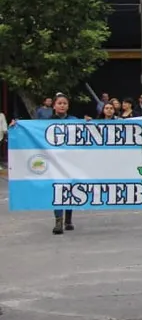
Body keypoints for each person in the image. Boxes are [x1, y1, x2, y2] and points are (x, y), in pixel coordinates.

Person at [46, 94, 78, 235]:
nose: (62, 105)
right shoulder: (45, 123)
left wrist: (88, 122)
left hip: (71, 160)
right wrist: (16, 126)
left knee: (70, 189)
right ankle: (58, 221)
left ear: (68, 106)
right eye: (59, 103)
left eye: (65, 103)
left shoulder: (74, 120)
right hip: (55, 161)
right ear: (54, 106)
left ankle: (68, 220)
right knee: (59, 190)